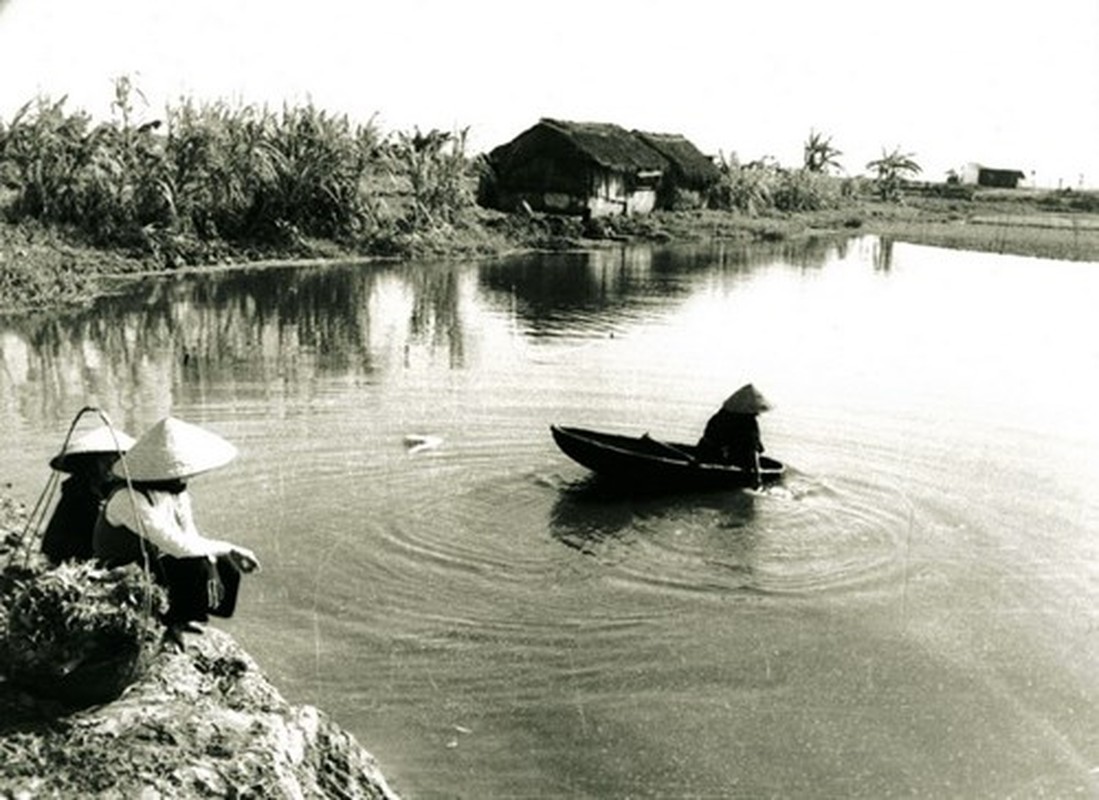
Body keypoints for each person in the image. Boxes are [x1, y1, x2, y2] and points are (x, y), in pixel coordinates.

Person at [93, 416, 260, 638]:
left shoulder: (175, 491)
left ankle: (185, 617)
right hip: (121, 566)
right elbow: (176, 546)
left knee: (224, 564)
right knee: (193, 561)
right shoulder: (127, 497)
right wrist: (228, 548)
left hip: (153, 556)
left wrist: (223, 554)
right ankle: (171, 623)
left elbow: (189, 535)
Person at [41, 424, 136, 564]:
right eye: (105, 462)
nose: (111, 467)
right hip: (76, 553)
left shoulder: (120, 489)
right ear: (93, 463)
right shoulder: (75, 491)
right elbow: (56, 538)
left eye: (116, 461)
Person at [696, 384, 772, 481]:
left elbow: (707, 438)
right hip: (724, 457)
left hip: (706, 455)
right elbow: (753, 451)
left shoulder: (720, 415)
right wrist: (757, 476)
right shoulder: (749, 423)